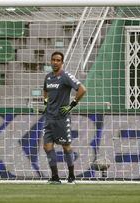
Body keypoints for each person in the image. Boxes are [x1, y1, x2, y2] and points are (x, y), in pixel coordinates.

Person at [43, 51, 86, 184]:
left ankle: (71, 176)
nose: (55, 62)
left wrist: (72, 104)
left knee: (66, 146)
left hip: (61, 118)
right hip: (49, 118)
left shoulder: (66, 76)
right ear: (51, 61)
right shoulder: (48, 77)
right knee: (47, 147)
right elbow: (45, 90)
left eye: (58, 60)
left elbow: (82, 89)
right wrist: (45, 101)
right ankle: (55, 177)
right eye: (53, 60)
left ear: (62, 62)